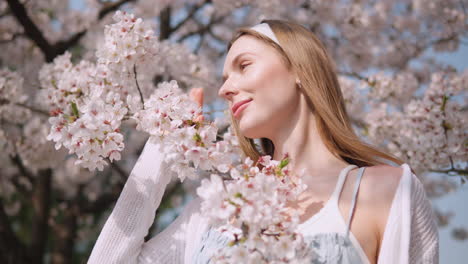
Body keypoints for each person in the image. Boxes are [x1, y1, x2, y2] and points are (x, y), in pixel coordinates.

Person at [88, 20, 439, 264]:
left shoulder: (386, 191)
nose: (224, 88)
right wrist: (162, 148)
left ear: (300, 69)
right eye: (224, 78)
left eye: (244, 66)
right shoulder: (217, 207)